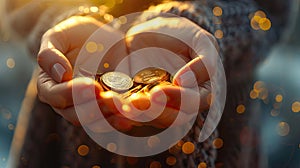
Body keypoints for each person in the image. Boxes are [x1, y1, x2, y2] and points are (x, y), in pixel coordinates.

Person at [3, 0, 290, 167]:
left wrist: (208, 27)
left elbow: (268, 13)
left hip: (223, 117)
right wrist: (62, 20)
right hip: (66, 117)